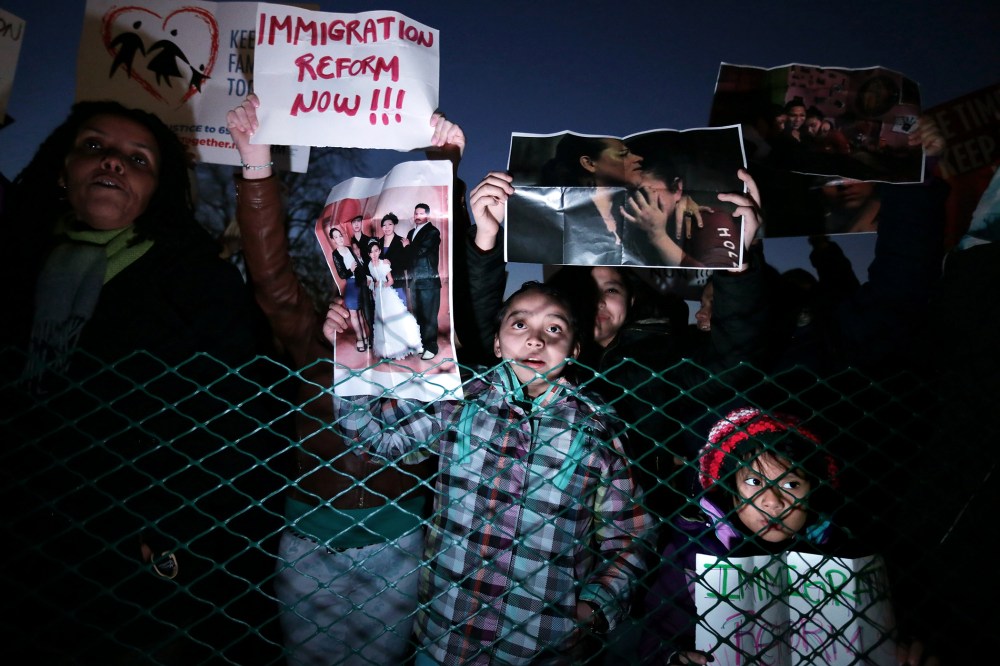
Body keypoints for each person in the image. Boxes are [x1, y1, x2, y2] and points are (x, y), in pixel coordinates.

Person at [0, 100, 281, 663]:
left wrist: (181, 531)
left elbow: (236, 418)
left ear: (157, 189)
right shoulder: (12, 265)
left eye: (138, 159)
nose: (113, 164)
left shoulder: (198, 282)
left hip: (130, 554)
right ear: (62, 169)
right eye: (95, 147)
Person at [227, 93, 466, 666]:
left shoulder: (426, 342)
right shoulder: (312, 339)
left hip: (399, 539)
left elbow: (438, 253)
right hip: (309, 540)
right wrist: (257, 168)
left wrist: (443, 164)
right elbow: (272, 281)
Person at [332, 280, 654, 665]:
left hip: (540, 650)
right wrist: (350, 349)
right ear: (498, 343)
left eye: (554, 329)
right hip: (446, 641)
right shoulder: (461, 397)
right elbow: (377, 440)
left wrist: (595, 607)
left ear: (575, 349)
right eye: (520, 325)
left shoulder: (597, 427)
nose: (535, 340)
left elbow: (631, 532)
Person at [639, 407, 936, 666]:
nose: (773, 501)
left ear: (813, 491)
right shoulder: (691, 552)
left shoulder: (850, 555)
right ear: (730, 488)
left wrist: (907, 650)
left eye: (792, 484)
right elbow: (655, 634)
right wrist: (672, 658)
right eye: (754, 481)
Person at [366, 238, 423, 359]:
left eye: (376, 251)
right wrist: (375, 285)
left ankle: (402, 345)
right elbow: (374, 279)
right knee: (382, 320)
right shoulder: (370, 265)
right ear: (369, 254)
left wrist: (383, 285)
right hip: (378, 294)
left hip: (387, 293)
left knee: (393, 318)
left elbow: (391, 280)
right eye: (371, 252)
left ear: (380, 251)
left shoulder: (384, 263)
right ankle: (387, 349)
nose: (374, 254)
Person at [406, 202, 442, 360]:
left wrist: (407, 247)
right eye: (415, 213)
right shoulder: (410, 233)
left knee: (429, 316)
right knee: (418, 315)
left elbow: (421, 251)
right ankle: (421, 344)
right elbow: (407, 256)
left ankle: (431, 347)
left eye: (420, 213)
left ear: (427, 215)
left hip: (428, 279)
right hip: (414, 280)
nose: (417, 216)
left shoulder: (433, 231)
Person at [330, 225, 370, 352]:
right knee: (354, 312)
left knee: (362, 311)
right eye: (336, 237)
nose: (339, 238)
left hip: (360, 281)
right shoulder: (335, 254)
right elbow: (341, 274)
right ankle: (359, 338)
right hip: (351, 283)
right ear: (333, 240)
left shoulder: (349, 248)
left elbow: (359, 263)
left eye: (340, 235)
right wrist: (350, 270)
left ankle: (366, 337)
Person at [378, 211, 410, 305]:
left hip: (397, 280)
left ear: (394, 225)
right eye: (384, 225)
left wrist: (406, 248)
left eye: (389, 224)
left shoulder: (401, 241)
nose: (387, 227)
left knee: (400, 306)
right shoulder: (378, 243)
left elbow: (406, 264)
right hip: (383, 282)